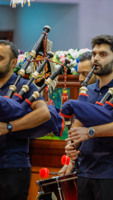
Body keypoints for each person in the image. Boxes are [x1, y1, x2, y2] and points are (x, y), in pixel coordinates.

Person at [62, 35, 113, 200]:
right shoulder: (88, 90)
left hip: (110, 174)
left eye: (103, 54)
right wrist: (71, 147)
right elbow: (77, 128)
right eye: (94, 54)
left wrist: (91, 132)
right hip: (84, 171)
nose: (96, 58)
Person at [0, 40, 50, 200]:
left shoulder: (24, 85)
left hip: (12, 165)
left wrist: (9, 127)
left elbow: (44, 113)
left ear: (13, 62)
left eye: (0, 58)